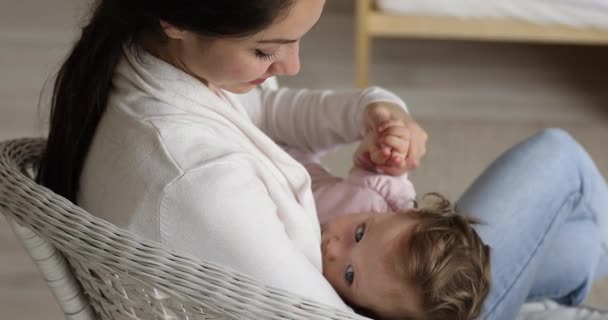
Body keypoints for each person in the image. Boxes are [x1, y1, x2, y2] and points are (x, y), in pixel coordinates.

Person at [36, 0, 608, 319]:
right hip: (409, 309)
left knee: (569, 238)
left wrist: (377, 110)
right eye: (267, 49)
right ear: (179, 20)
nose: (292, 64)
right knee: (558, 158)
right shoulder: (198, 181)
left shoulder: (146, 61)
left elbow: (271, 110)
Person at [286, 142, 491, 320]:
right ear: (399, 211)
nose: (332, 250)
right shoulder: (376, 195)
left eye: (350, 275)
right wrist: (383, 143)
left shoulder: (321, 299)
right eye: (359, 233)